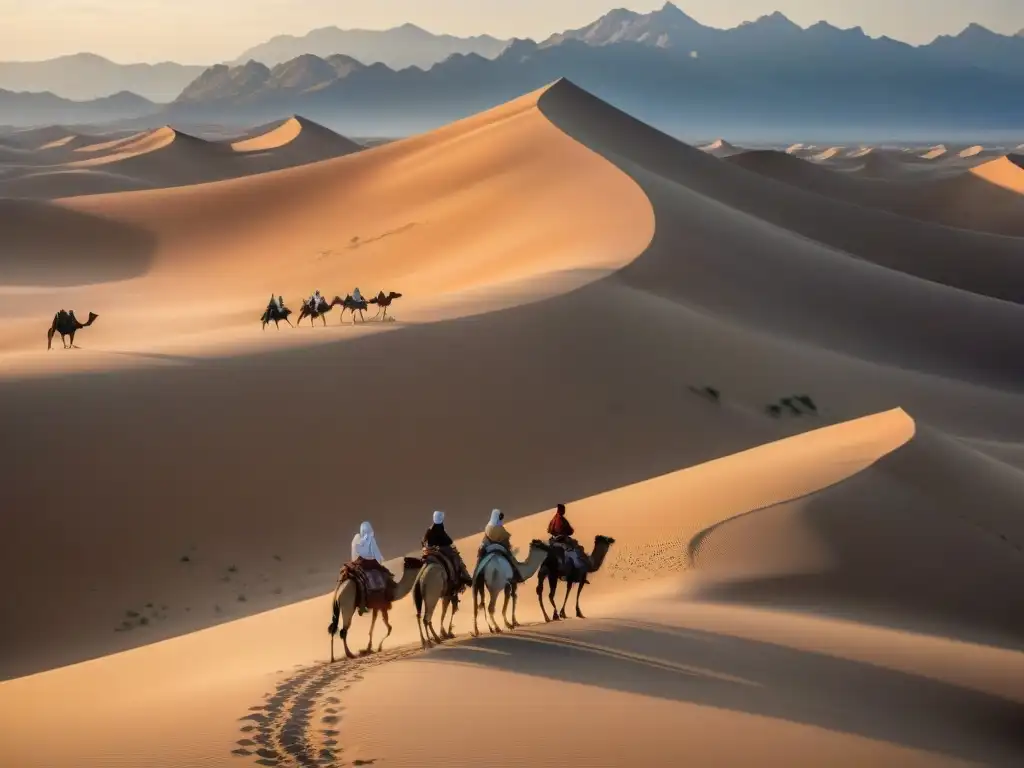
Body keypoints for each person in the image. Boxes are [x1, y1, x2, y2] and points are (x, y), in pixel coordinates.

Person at [422, 510, 472, 587]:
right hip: (442, 549)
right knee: (457, 558)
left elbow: (424, 541)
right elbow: (446, 540)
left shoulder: (430, 529)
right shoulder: (439, 528)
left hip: (430, 551)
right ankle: (465, 577)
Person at [479, 508, 522, 584]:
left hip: (488, 547)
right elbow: (505, 538)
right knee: (510, 558)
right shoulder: (499, 528)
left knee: (480, 558)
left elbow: (485, 538)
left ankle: (478, 577)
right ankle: (516, 575)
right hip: (498, 548)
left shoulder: (488, 526)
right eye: (500, 518)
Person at [547, 503, 591, 574]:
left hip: (556, 539)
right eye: (563, 509)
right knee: (574, 549)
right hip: (560, 540)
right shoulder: (559, 519)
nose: (564, 511)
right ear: (561, 510)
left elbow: (550, 529)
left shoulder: (556, 519)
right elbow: (567, 530)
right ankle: (579, 567)